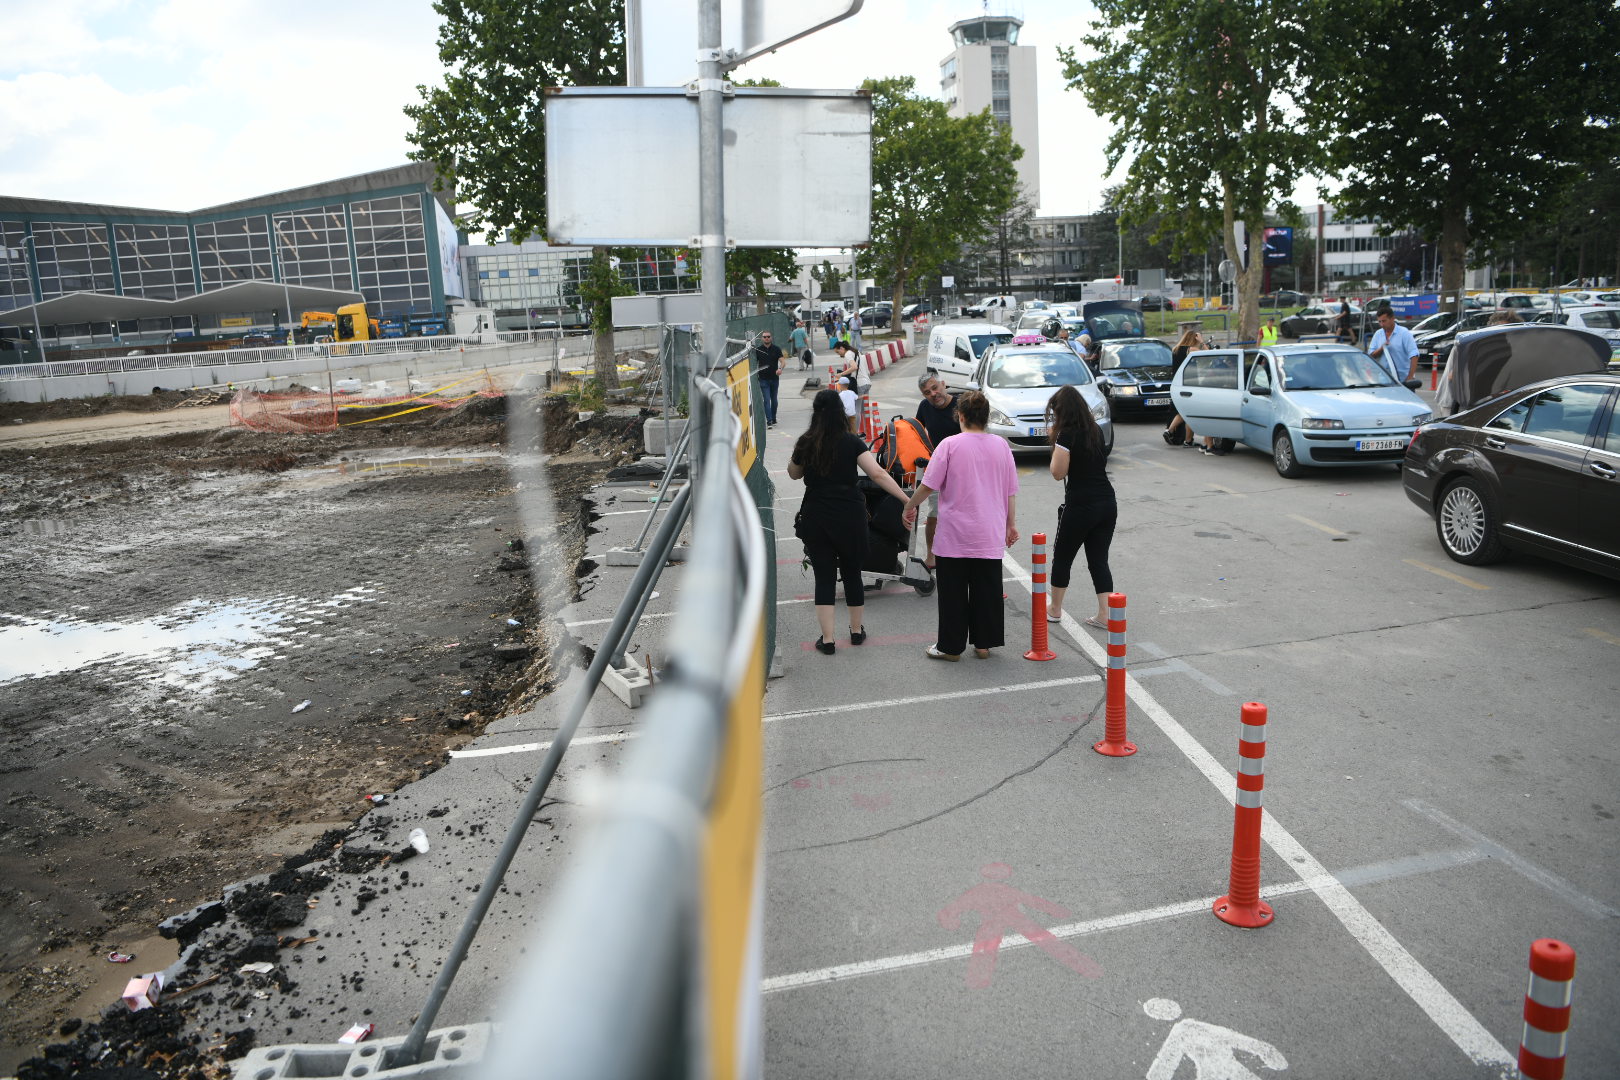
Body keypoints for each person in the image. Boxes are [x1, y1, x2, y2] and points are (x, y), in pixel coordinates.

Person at [788, 389, 911, 655]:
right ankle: (856, 632)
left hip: (816, 516)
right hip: (850, 516)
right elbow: (877, 473)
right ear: (840, 413)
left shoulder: (806, 442)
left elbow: (793, 474)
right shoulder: (851, 441)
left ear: (816, 413)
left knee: (824, 578)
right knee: (852, 572)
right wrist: (905, 499)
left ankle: (828, 639)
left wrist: (800, 457)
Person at [901, 391, 1019, 661]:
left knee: (953, 593)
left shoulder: (949, 445)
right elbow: (1010, 491)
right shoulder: (1001, 446)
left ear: (961, 416)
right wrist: (1011, 525)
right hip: (989, 532)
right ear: (986, 417)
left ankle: (950, 647)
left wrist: (909, 505)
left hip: (954, 533)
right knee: (987, 591)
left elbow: (928, 485)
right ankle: (983, 644)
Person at [1043, 385, 1117, 629]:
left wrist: (1054, 441)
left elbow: (1057, 473)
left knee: (1062, 557)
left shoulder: (1066, 435)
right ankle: (1105, 614)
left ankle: (1054, 609)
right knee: (1098, 559)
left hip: (1081, 503)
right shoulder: (1094, 429)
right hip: (1106, 501)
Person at [914, 372, 961, 569]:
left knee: (961, 513)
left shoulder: (961, 405)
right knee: (934, 512)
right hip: (937, 466)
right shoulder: (925, 407)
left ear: (943, 384)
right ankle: (931, 556)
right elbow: (916, 432)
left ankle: (961, 554)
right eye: (927, 392)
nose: (933, 394)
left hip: (962, 469)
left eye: (935, 388)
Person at [1163, 328, 1204, 447]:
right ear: (1194, 339)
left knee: (1185, 410)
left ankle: (1186, 439)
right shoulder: (1191, 349)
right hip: (1189, 384)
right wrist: (1202, 342)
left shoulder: (1175, 349)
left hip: (1177, 384)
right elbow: (1209, 354)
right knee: (1189, 411)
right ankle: (1173, 432)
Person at [1367, 307, 1417, 382]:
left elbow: (1414, 355)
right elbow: (1370, 355)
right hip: (1384, 380)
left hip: (1403, 379)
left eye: (1384, 321)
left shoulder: (1404, 333)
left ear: (1392, 318)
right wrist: (1382, 348)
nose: (1381, 324)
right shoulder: (1378, 334)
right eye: (1379, 322)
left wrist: (1410, 377)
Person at [752, 329, 784, 427]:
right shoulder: (758, 350)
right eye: (765, 337)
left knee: (774, 400)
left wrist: (780, 369)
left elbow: (783, 361)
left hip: (774, 378)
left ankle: (773, 418)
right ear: (762, 338)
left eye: (768, 336)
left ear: (771, 338)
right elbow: (754, 363)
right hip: (763, 379)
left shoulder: (776, 349)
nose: (766, 338)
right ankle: (769, 420)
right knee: (766, 399)